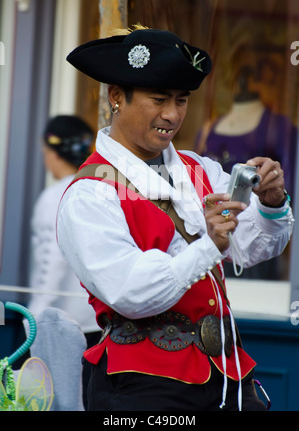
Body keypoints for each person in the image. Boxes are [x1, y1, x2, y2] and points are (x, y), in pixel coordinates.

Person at [56, 26, 294, 411]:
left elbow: (253, 247)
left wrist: (271, 202)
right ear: (117, 97)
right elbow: (131, 292)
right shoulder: (89, 193)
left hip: (227, 374)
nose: (172, 114)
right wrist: (208, 246)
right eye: (158, 99)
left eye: (181, 101)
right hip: (142, 387)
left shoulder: (198, 168)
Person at [27, 115, 101, 406]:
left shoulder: (54, 197)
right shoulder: (98, 189)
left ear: (51, 150)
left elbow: (50, 267)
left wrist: (32, 322)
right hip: (104, 322)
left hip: (67, 330)